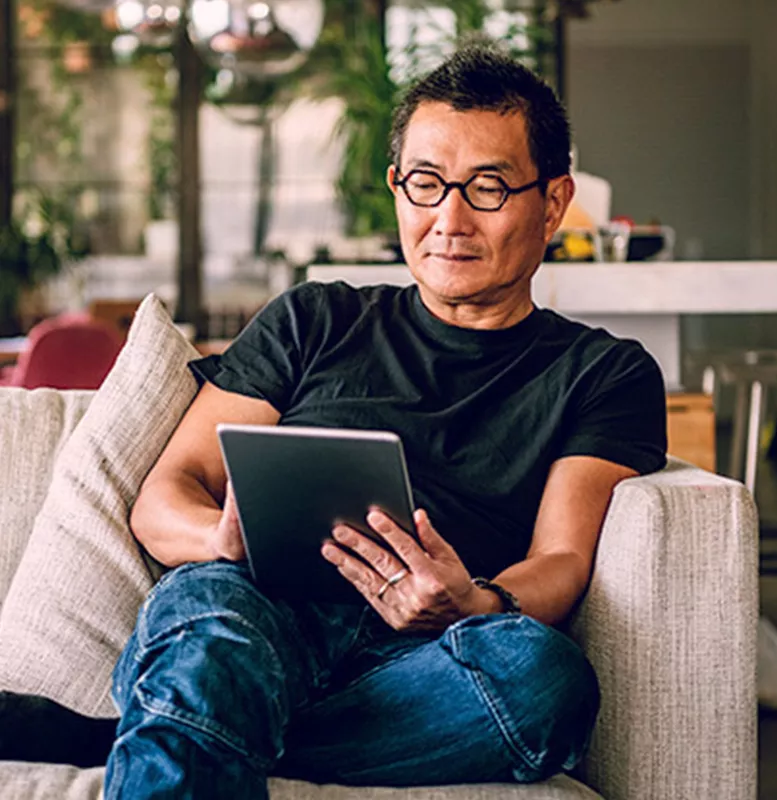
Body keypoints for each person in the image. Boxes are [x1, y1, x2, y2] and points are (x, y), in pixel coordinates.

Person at [103, 41, 667, 798]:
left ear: (554, 201)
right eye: (426, 185)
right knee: (210, 617)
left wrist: (474, 601)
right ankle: (206, 704)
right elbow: (167, 491)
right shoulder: (314, 319)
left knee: (545, 680)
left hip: (430, 654)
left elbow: (561, 560)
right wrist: (218, 539)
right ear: (397, 187)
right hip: (259, 615)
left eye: (488, 188)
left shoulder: (603, 372)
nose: (449, 220)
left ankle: (191, 724)